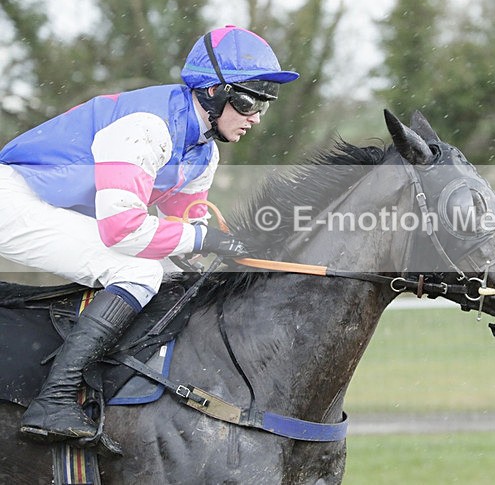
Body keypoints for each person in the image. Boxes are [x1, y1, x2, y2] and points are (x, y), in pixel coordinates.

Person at [0, 25, 299, 444]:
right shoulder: (147, 127)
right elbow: (124, 229)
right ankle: (54, 399)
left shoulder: (203, 150)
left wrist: (234, 247)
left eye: (264, 104)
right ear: (212, 92)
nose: (256, 117)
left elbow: (185, 228)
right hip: (15, 201)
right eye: (249, 100)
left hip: (57, 208)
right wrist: (203, 240)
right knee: (138, 271)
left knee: (168, 269)